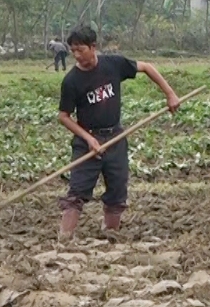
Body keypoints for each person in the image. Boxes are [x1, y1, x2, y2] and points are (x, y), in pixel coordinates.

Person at [57, 25, 179, 239]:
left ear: (93, 47)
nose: (76, 55)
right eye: (72, 50)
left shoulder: (113, 65)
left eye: (80, 49)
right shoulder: (71, 81)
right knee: (77, 192)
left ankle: (111, 236)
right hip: (87, 141)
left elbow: (147, 67)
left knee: (116, 192)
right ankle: (64, 239)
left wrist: (170, 94)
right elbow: (64, 116)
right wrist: (88, 138)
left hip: (116, 137)